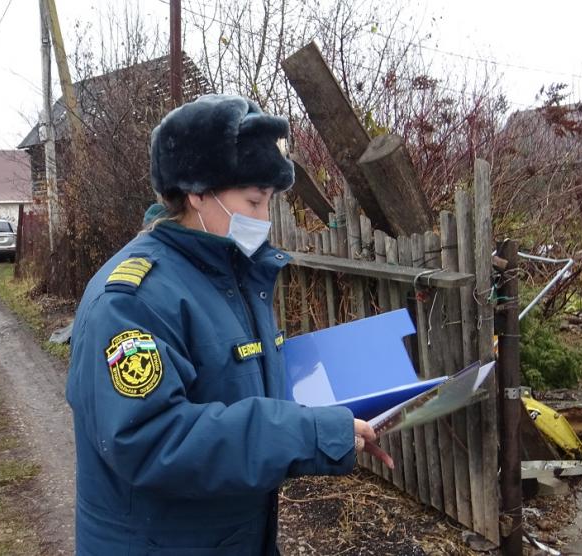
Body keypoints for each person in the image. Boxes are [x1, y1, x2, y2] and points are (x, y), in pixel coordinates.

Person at [66, 94, 393, 555]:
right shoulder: (133, 300)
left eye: (269, 203)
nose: (264, 220)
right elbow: (150, 438)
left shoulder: (232, 274)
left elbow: (239, 389)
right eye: (254, 201)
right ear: (197, 191)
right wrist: (309, 434)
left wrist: (339, 413)